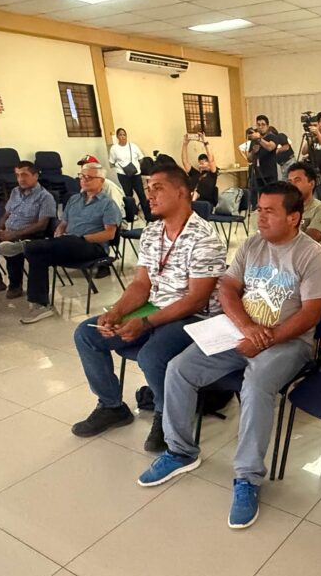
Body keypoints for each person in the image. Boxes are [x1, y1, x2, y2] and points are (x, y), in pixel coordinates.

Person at [138, 182, 321, 529]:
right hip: (241, 332)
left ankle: (247, 477)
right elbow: (227, 287)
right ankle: (180, 451)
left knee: (256, 385)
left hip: (288, 341)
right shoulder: (252, 245)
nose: (261, 217)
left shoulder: (312, 255)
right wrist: (246, 327)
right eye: (259, 210)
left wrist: (266, 338)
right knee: (179, 368)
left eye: (270, 211)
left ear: (294, 217)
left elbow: (310, 315)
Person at [71, 164, 227, 450]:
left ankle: (166, 416)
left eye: (158, 188)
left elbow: (196, 299)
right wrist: (117, 311)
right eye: (148, 189)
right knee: (87, 334)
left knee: (152, 355)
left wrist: (145, 323)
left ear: (181, 193)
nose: (149, 195)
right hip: (157, 307)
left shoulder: (204, 238)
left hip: (196, 316)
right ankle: (111, 406)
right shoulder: (152, 232)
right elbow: (142, 285)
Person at [18, 163, 121, 324]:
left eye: (89, 177)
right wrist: (59, 232)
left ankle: (23, 246)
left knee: (68, 241)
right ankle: (40, 305)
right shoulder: (74, 200)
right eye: (82, 176)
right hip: (68, 245)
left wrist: (82, 238)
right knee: (38, 255)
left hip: (93, 247)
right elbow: (63, 224)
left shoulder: (108, 204)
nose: (84, 180)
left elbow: (109, 234)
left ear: (101, 181)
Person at [0, 161, 57, 297]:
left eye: (24, 175)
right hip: (8, 232)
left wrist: (14, 235)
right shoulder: (15, 192)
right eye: (17, 175)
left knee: (9, 246)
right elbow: (6, 214)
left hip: (28, 235)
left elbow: (41, 225)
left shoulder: (45, 197)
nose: (20, 179)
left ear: (36, 176)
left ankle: (15, 286)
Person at [109, 128, 152, 221]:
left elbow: (141, 158)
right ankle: (133, 214)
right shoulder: (114, 149)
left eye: (124, 134)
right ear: (117, 137)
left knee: (141, 194)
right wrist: (121, 167)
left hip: (135, 174)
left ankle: (148, 215)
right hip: (123, 175)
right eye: (120, 135)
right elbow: (111, 163)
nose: (123, 137)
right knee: (128, 195)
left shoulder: (133, 146)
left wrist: (136, 166)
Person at [287, 161, 321, 243]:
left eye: (297, 181)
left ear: (311, 184)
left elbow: (308, 242)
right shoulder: (285, 209)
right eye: (290, 182)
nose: (292, 186)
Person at [249, 115, 287, 191]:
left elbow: (270, 147)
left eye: (263, 124)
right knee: (258, 195)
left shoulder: (272, 137)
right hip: (257, 174)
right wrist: (253, 151)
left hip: (270, 174)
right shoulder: (254, 140)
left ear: (267, 126)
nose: (260, 127)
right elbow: (249, 158)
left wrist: (259, 139)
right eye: (258, 125)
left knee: (272, 194)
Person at [180, 132, 219, 206]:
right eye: (200, 163)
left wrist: (205, 142)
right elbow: (185, 161)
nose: (201, 165)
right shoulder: (196, 174)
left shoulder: (212, 174)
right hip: (191, 202)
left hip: (204, 204)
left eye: (203, 163)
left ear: (208, 163)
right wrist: (185, 144)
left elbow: (211, 159)